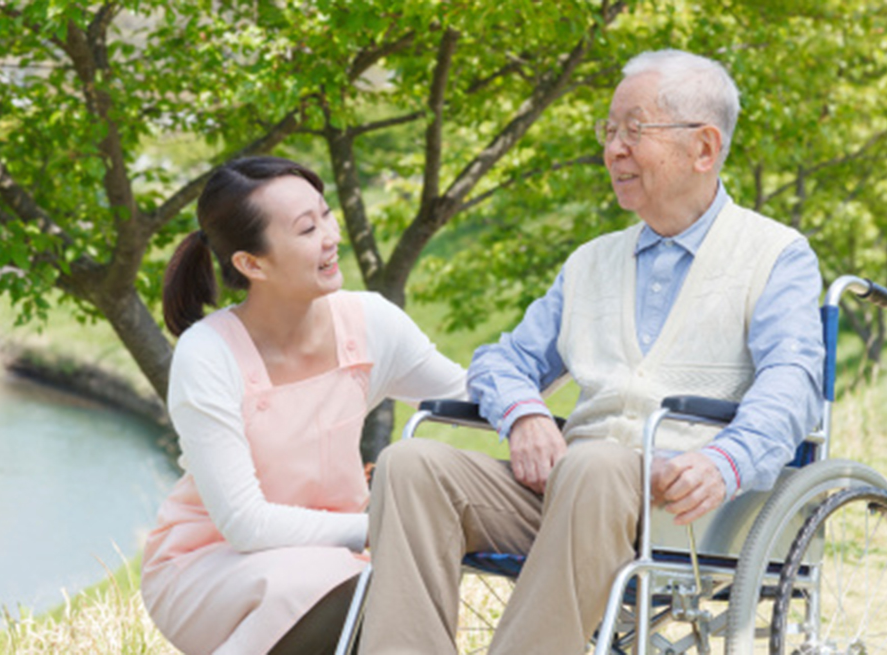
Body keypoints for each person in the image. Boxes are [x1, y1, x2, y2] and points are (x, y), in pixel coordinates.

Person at [359, 49, 826, 654]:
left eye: (634, 131)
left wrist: (726, 460)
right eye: (609, 131)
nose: (613, 150)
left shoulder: (775, 255)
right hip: (572, 496)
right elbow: (501, 360)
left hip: (689, 507)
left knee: (596, 462)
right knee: (409, 465)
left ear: (705, 149)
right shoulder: (590, 262)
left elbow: (792, 381)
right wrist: (524, 413)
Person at [140, 156, 467, 655]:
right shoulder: (208, 353)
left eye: (326, 215)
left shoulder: (370, 322)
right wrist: (378, 526)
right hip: (211, 561)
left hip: (340, 557)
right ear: (251, 264)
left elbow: (471, 396)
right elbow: (245, 524)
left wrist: (566, 347)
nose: (330, 236)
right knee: (355, 588)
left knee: (384, 591)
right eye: (307, 229)